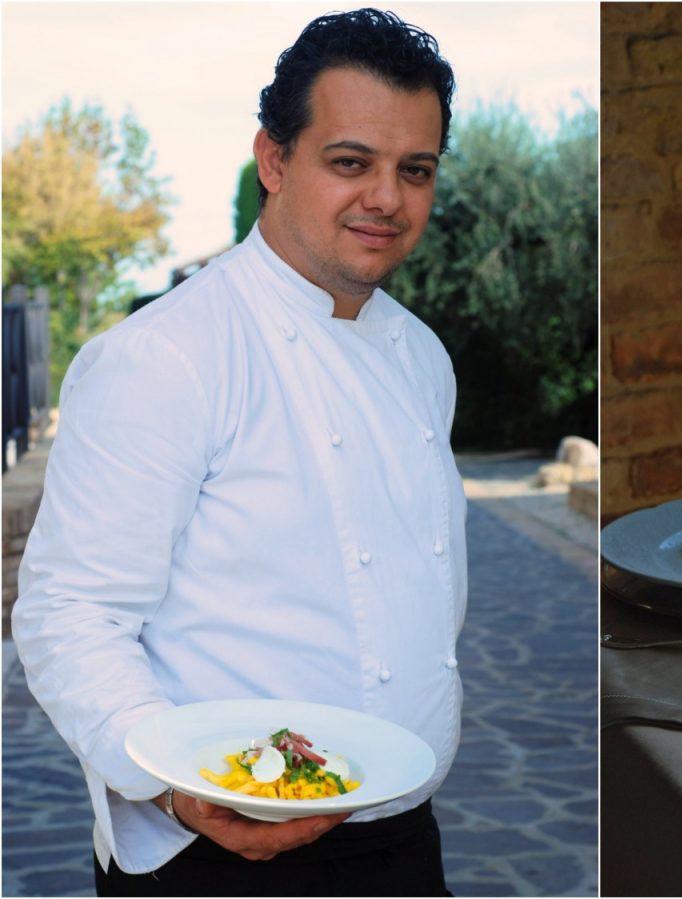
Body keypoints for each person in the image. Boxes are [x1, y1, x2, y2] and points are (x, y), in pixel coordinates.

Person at [12, 9, 465, 895]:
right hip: (222, 855)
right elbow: (69, 610)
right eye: (350, 162)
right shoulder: (166, 355)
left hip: (403, 840)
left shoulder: (423, 357)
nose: (387, 197)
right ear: (273, 159)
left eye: (415, 170)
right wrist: (177, 794)